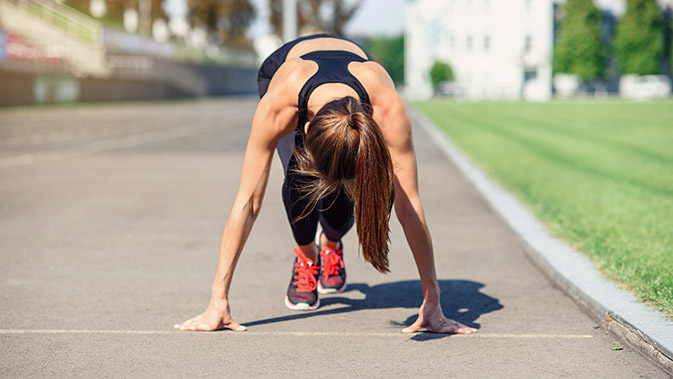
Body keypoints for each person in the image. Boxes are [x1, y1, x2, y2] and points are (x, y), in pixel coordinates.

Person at [174, 34, 476, 334]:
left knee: (340, 196)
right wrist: (218, 299)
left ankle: (331, 244)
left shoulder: (387, 107)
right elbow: (248, 201)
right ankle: (307, 257)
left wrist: (433, 302)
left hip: (354, 78)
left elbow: (409, 207)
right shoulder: (280, 106)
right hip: (283, 71)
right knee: (297, 179)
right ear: (304, 130)